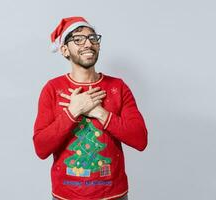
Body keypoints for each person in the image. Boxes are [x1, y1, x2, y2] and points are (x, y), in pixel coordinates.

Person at [33, 16, 148, 200]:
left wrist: (99, 112)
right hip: (66, 196)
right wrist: (73, 111)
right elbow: (41, 148)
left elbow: (140, 139)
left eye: (92, 38)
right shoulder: (53, 89)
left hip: (113, 196)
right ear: (64, 50)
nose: (88, 43)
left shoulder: (118, 87)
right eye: (78, 39)